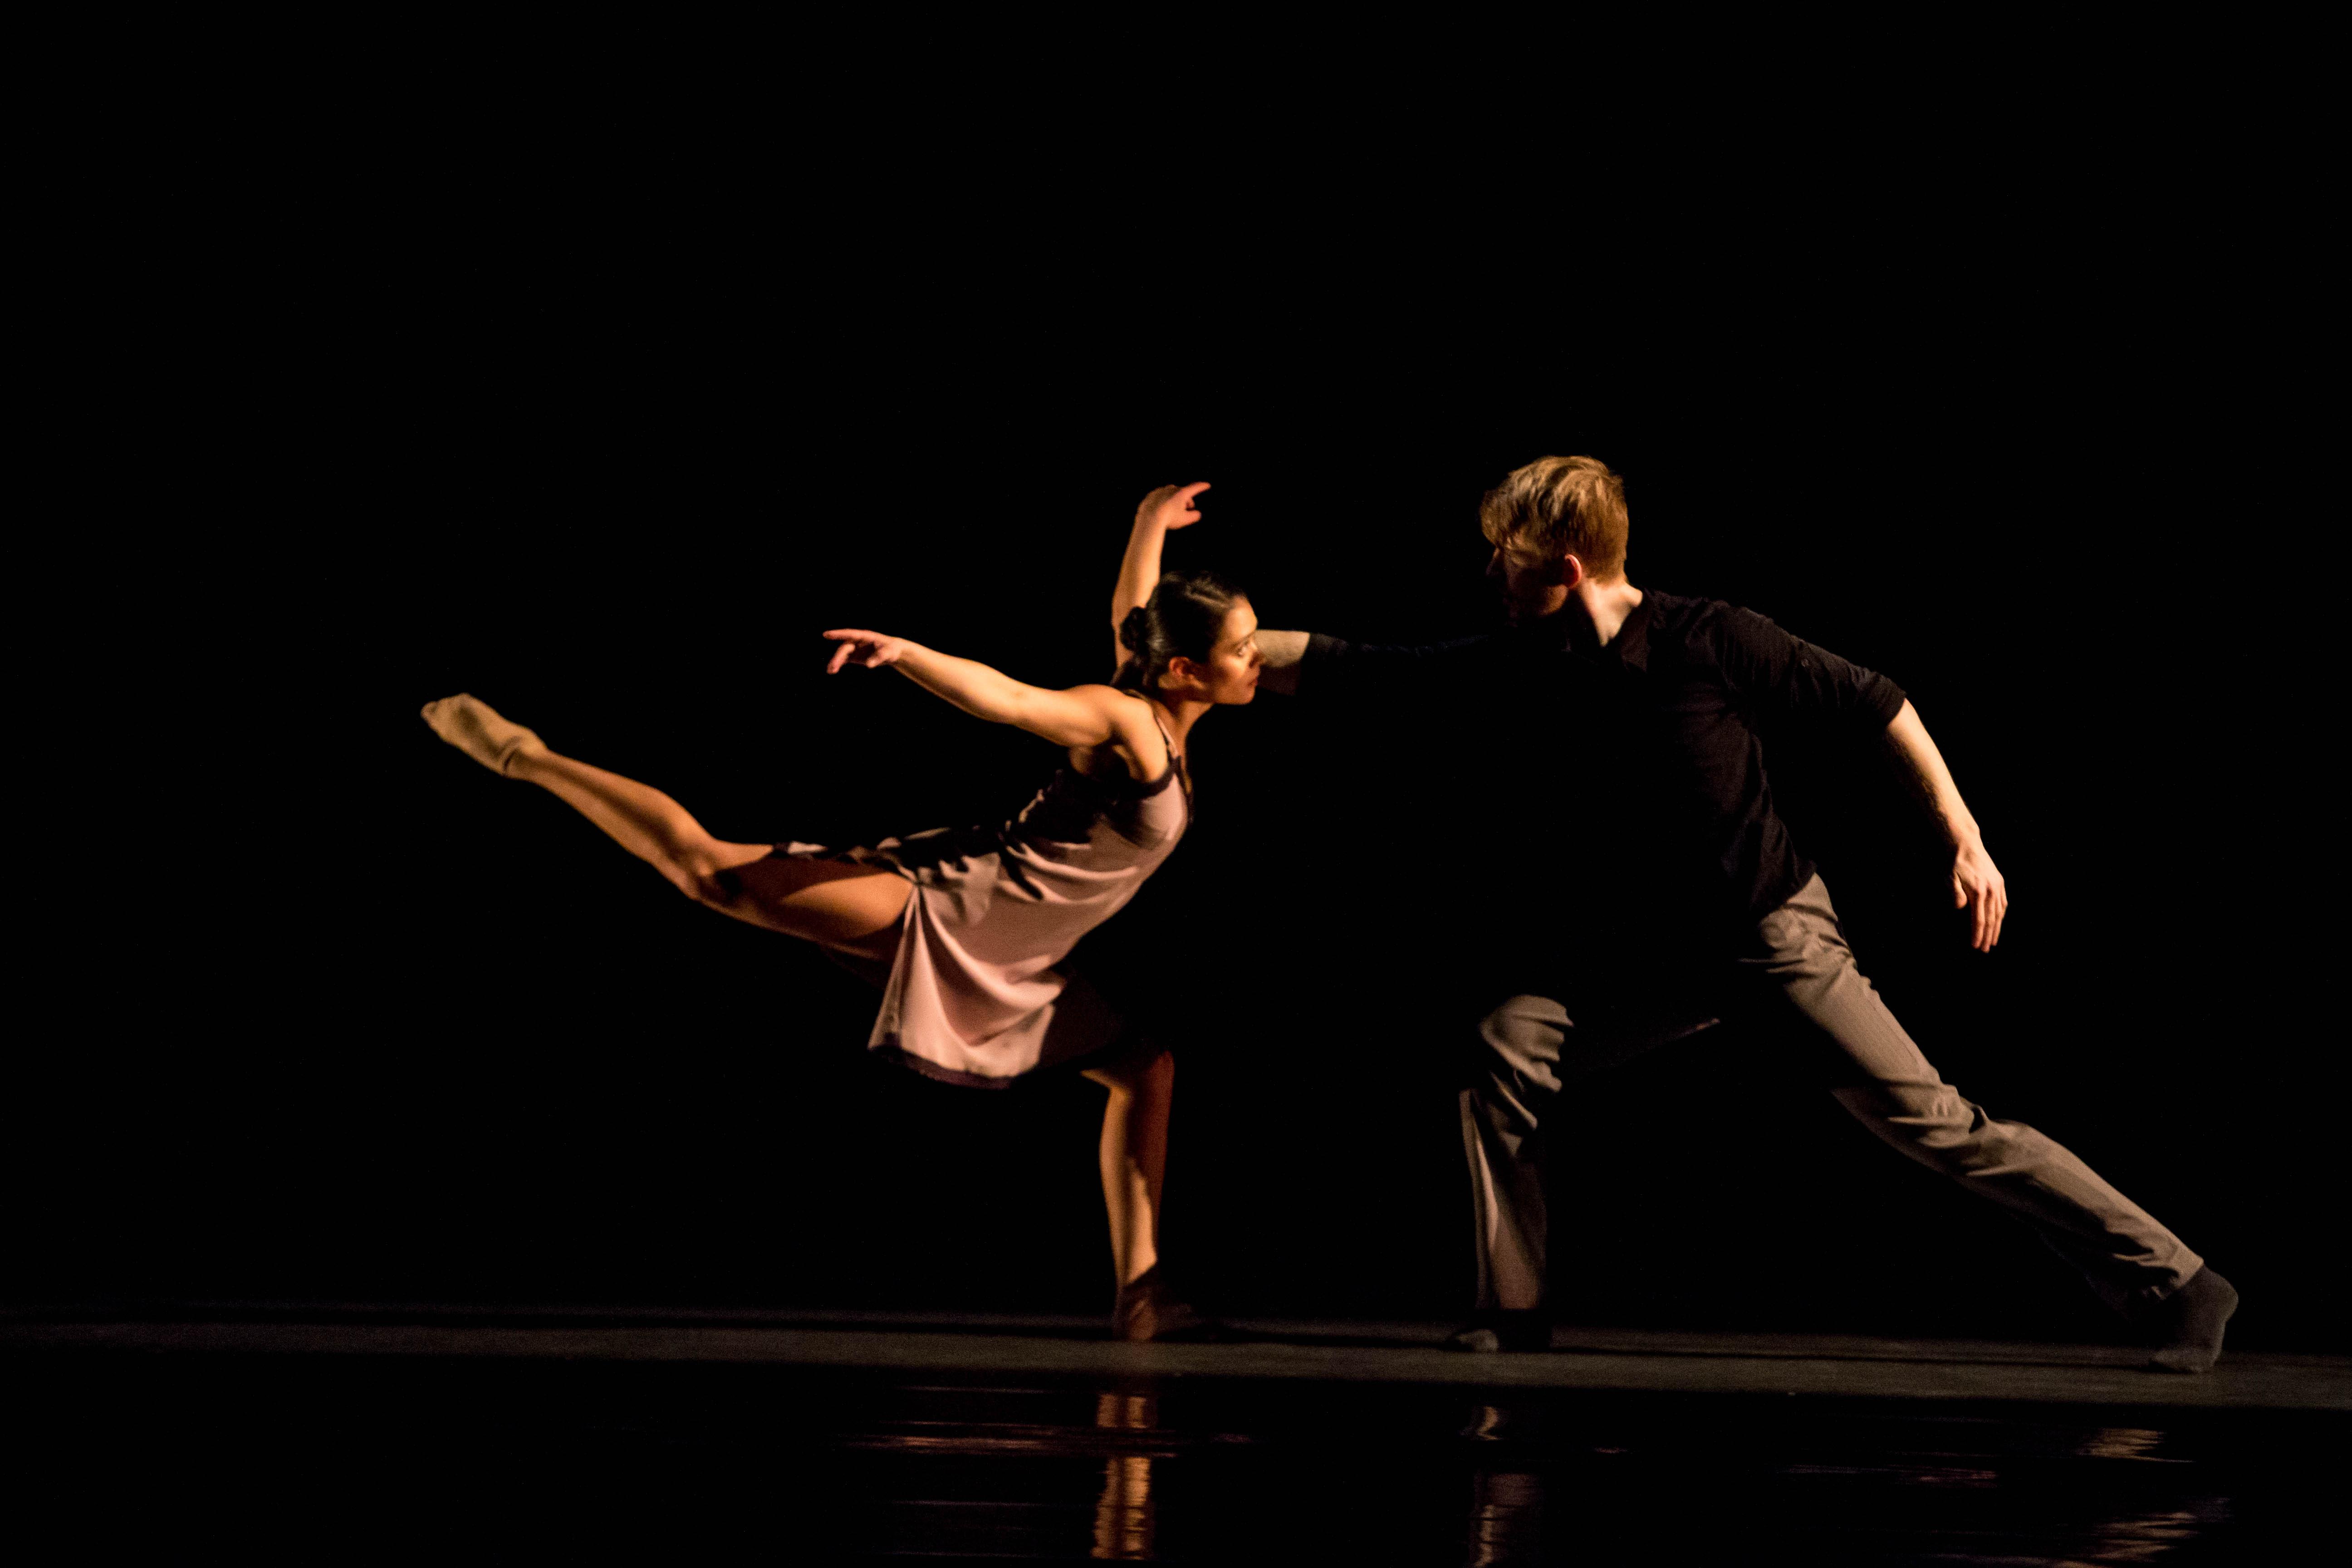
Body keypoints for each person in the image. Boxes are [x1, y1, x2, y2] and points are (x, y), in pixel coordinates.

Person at [1253, 455, 2237, 1372]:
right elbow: (1384, 671)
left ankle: (2181, 1283)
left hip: (1775, 938)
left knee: (1936, 1125)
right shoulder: (1535, 654)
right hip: (1665, 959)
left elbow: (1879, 701)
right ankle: (1510, 1310)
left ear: (1565, 563)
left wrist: (1965, 836)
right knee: (1505, 1048)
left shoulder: (1708, 639)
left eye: (1504, 556)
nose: (1489, 572)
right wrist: (1239, 649)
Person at [419, 482, 1260, 1341]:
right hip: (953, 909)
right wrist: (908, 655)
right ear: (1187, 669)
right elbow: (1006, 698)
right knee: (715, 874)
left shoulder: (1155, 691)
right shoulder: (1120, 716)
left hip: (1019, 952)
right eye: (1243, 647)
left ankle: (1143, 1296)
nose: (1262, 657)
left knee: (1144, 1066)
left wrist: (1148, 523)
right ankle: (524, 755)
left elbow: (1134, 613)